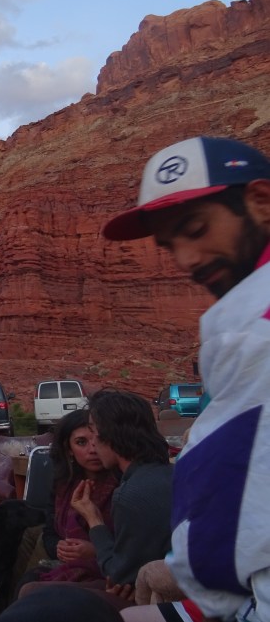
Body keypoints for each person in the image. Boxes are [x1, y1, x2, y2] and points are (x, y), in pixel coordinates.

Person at [102, 136, 270, 622]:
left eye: (196, 229)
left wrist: (199, 589)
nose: (186, 260)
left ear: (261, 201)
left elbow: (226, 488)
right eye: (170, 245)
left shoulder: (251, 323)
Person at [17, 409, 119, 589]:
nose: (93, 449)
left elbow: (134, 547)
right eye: (81, 442)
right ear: (68, 449)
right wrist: (60, 547)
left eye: (99, 439)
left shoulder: (123, 485)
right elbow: (50, 529)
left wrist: (95, 550)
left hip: (107, 570)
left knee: (31, 583)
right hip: (66, 558)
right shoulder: (64, 484)